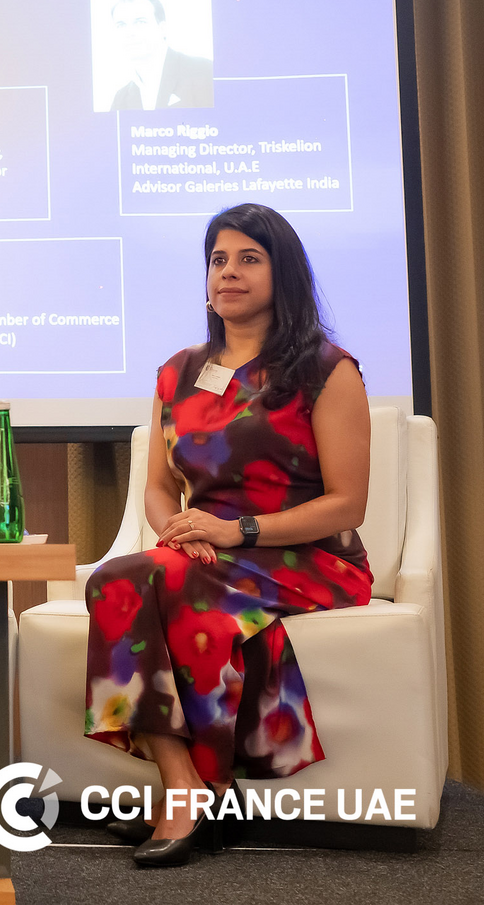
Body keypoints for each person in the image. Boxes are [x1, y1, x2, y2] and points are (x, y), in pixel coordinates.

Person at [84, 203, 372, 867]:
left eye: (249, 258)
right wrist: (177, 532)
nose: (229, 272)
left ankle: (196, 792)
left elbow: (347, 503)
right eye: (218, 259)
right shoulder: (176, 372)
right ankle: (187, 783)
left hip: (307, 556)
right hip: (207, 553)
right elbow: (158, 486)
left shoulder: (326, 369)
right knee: (120, 580)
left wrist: (236, 529)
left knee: (163, 586)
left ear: (283, 272)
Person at [107, 0, 214, 110]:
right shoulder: (121, 99)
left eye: (140, 22)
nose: (129, 32)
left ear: (162, 28)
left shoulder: (204, 72)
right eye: (121, 25)